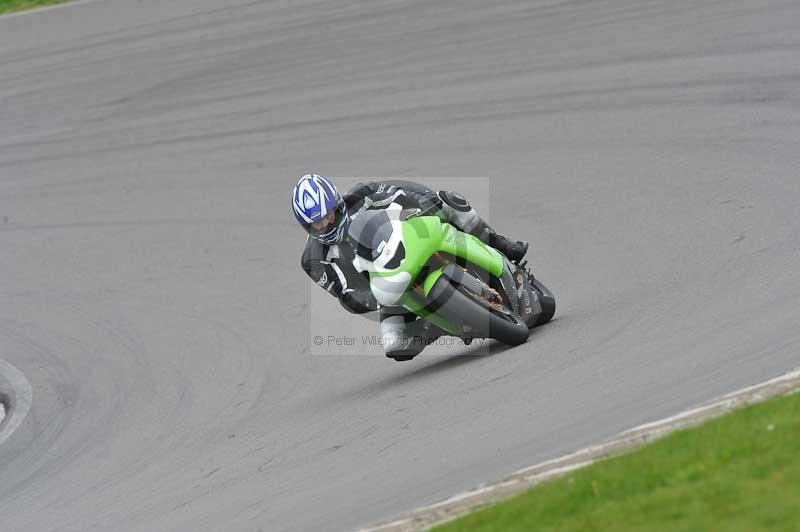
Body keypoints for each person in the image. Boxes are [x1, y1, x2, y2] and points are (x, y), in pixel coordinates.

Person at [292, 174, 529, 361]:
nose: (324, 224)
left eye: (328, 215)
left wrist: (428, 206)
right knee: (396, 346)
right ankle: (434, 327)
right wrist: (374, 299)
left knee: (450, 200)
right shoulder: (313, 259)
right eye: (315, 223)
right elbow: (345, 294)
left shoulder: (361, 195)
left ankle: (500, 244)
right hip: (385, 288)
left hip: (407, 245)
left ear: (337, 202)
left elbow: (405, 193)